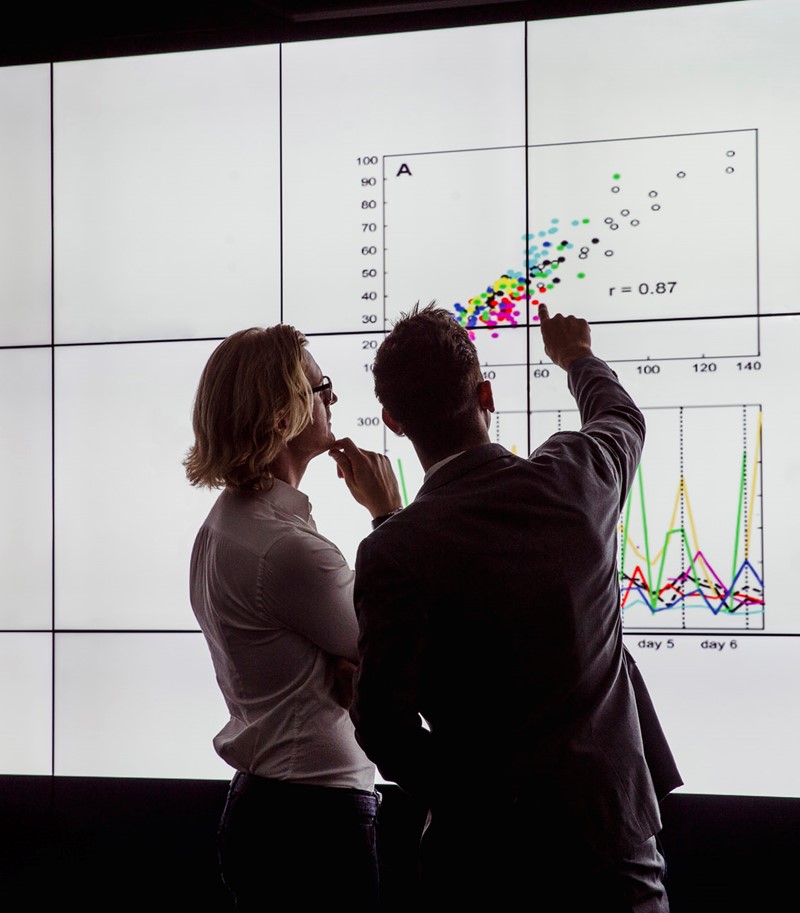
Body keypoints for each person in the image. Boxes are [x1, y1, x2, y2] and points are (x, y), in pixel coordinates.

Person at [338, 302, 682, 911]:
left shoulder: (394, 549)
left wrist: (481, 795)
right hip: (613, 846)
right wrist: (576, 358)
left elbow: (383, 729)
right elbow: (621, 416)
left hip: (485, 860)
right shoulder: (577, 477)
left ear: (392, 421)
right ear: (486, 395)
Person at [184, 325, 401, 911]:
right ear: (281, 414)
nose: (331, 399)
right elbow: (400, 650)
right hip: (314, 823)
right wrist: (389, 516)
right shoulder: (286, 550)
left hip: (271, 809)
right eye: (318, 388)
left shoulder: (226, 526)